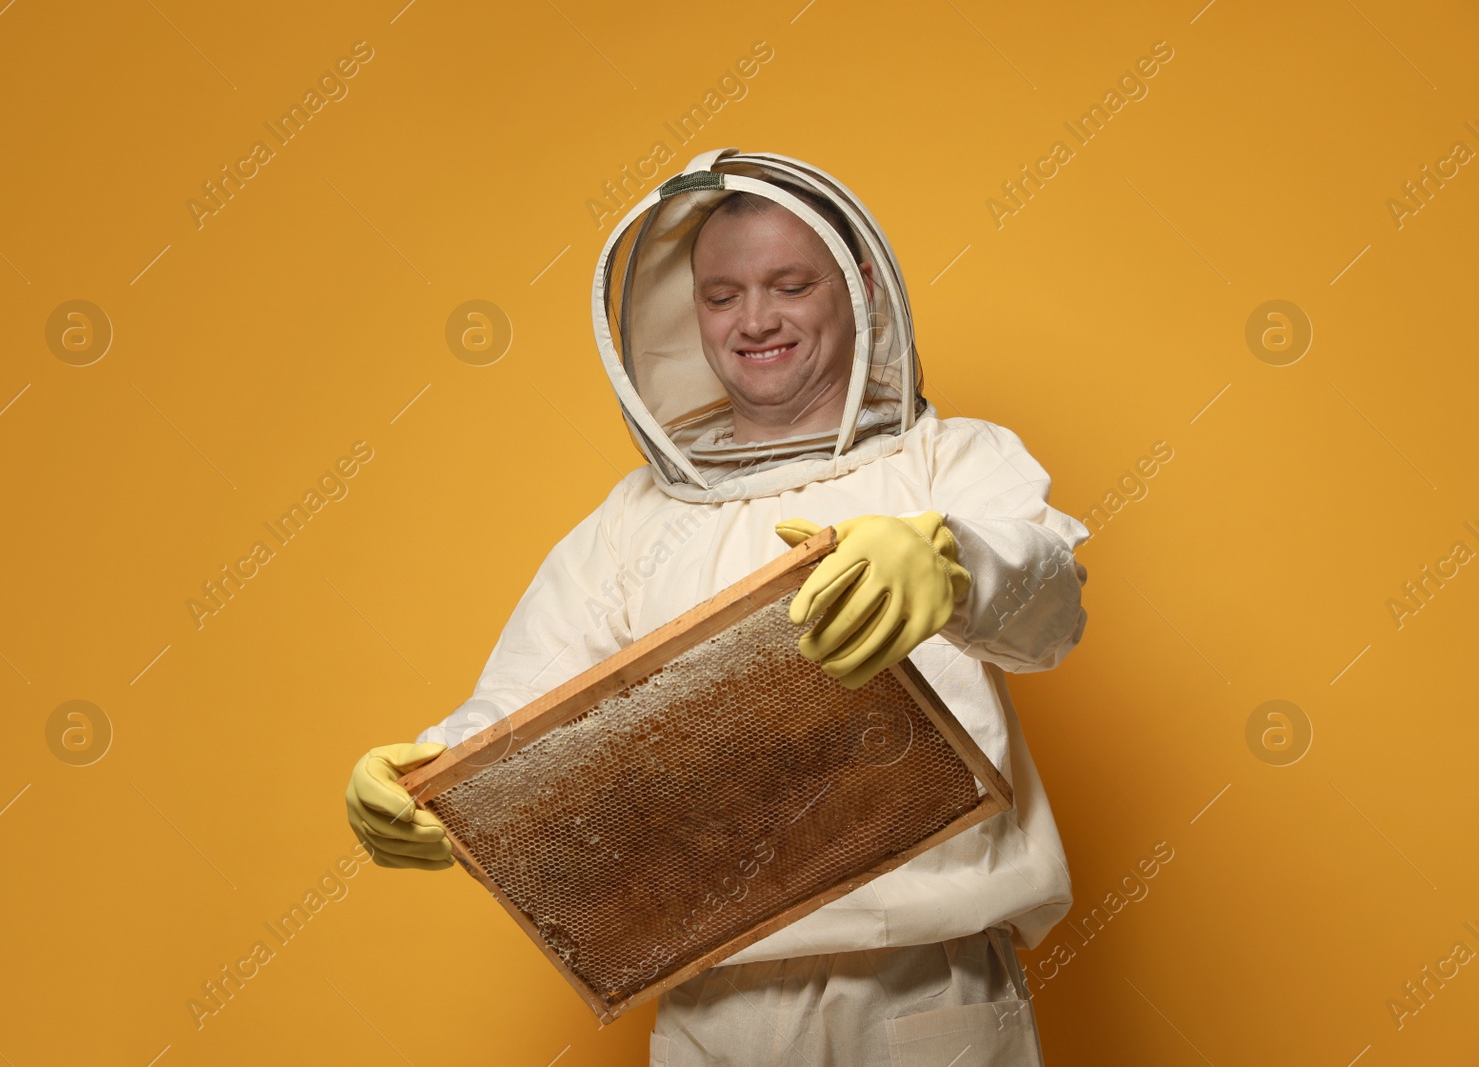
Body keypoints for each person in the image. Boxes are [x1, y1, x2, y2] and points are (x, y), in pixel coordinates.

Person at [344, 148, 1090, 1065]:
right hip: (716, 998)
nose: (756, 320)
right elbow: (528, 707)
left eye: (789, 284)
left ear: (855, 287)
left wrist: (956, 562)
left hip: (926, 984)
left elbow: (1052, 603)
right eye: (722, 294)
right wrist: (433, 779)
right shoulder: (633, 524)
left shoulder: (951, 461)